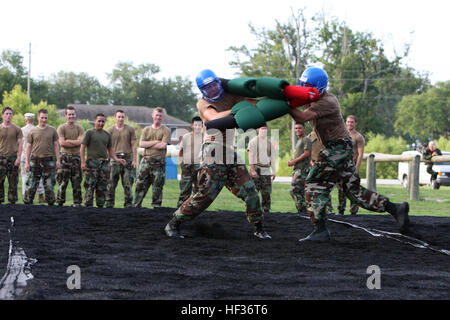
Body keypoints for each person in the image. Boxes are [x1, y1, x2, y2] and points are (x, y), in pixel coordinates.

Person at [288, 66, 410, 241]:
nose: (304, 88)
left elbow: (300, 117)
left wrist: (284, 104)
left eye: (308, 86)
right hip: (340, 148)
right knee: (352, 191)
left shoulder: (326, 101)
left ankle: (320, 229)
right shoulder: (313, 97)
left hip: (336, 147)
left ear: (318, 88)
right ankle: (395, 209)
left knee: (313, 182)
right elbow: (297, 100)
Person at [164, 69, 271, 239]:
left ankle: (259, 228)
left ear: (218, 83)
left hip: (230, 151)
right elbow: (214, 118)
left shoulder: (232, 94)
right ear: (203, 91)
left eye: (214, 85)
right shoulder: (203, 103)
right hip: (212, 150)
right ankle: (174, 223)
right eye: (208, 88)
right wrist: (238, 109)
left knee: (250, 191)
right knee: (206, 194)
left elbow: (253, 101)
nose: (212, 90)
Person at [80, 113, 126, 208]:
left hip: (104, 163)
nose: (101, 123)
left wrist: (117, 159)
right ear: (95, 121)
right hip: (92, 162)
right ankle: (88, 206)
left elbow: (110, 149)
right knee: (90, 184)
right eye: (99, 121)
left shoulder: (107, 135)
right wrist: (83, 162)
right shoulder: (89, 133)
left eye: (103, 121)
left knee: (102, 185)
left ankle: (100, 206)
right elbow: (82, 148)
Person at [133, 107, 171, 208]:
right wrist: (156, 142)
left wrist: (148, 144)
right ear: (153, 116)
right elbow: (141, 144)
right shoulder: (146, 130)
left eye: (160, 116)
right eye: (156, 115)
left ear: (162, 117)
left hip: (159, 163)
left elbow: (163, 145)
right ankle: (136, 206)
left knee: (157, 187)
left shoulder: (166, 130)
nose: (158, 117)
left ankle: (156, 207)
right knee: (140, 185)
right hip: (146, 162)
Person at [23, 109, 61, 205]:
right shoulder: (33, 131)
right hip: (35, 159)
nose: (44, 120)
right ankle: (28, 203)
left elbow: (56, 145)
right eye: (42, 117)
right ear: (38, 117)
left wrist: (58, 160)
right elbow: (28, 146)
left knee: (49, 184)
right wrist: (27, 162)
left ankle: (51, 204)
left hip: (48, 160)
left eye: (46, 118)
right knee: (31, 184)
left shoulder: (52, 130)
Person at [106, 110, 137, 208]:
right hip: (114, 159)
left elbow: (134, 145)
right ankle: (109, 204)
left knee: (128, 183)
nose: (120, 119)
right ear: (115, 117)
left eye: (122, 117)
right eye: (119, 117)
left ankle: (128, 205)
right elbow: (107, 147)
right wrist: (107, 160)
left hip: (127, 159)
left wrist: (135, 160)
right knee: (111, 183)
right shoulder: (110, 130)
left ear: (125, 118)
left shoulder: (130, 129)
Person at [336, 115, 365, 215]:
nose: (349, 124)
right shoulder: (341, 134)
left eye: (352, 122)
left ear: (355, 123)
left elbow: (360, 154)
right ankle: (341, 210)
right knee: (341, 189)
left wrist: (356, 168)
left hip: (352, 165)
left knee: (353, 189)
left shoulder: (358, 137)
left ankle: (353, 211)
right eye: (348, 122)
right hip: (342, 166)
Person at [56, 106, 84, 207]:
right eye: (69, 114)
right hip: (65, 158)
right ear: (66, 115)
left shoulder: (79, 128)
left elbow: (81, 142)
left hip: (76, 158)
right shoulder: (61, 128)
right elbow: (62, 143)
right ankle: (60, 202)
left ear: (75, 115)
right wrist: (74, 142)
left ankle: (77, 202)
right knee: (63, 181)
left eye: (73, 114)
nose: (71, 116)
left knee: (77, 182)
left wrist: (68, 141)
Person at [247, 125, 276, 213]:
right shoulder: (253, 141)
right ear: (258, 129)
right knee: (253, 193)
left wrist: (274, 171)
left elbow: (272, 158)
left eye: (265, 129)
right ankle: (253, 210)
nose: (264, 131)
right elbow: (250, 156)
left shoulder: (269, 143)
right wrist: (252, 170)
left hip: (266, 170)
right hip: (256, 169)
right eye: (262, 129)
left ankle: (266, 211)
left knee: (266, 193)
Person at [177, 116, 204, 208]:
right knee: (185, 189)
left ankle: (195, 209)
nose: (197, 127)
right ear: (192, 125)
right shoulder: (186, 136)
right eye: (195, 125)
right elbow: (181, 151)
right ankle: (180, 209)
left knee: (198, 190)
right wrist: (181, 164)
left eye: (199, 125)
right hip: (187, 166)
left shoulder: (205, 137)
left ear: (202, 126)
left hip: (199, 166)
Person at [21, 113, 45, 203]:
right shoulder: (37, 129)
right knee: (39, 176)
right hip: (36, 155)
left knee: (25, 176)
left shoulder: (21, 130)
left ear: (25, 120)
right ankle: (41, 196)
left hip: (24, 156)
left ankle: (25, 195)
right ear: (34, 120)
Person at [0, 107, 23, 204]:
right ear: (2, 115)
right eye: (6, 114)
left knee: (13, 182)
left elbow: (21, 144)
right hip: (1, 158)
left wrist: (18, 158)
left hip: (13, 158)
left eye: (10, 114)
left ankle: (12, 202)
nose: (9, 116)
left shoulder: (17, 129)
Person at [288, 122, 311, 215]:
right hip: (297, 169)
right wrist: (292, 161)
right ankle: (302, 211)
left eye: (300, 128)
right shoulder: (300, 140)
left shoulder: (306, 139)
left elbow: (306, 153)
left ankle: (302, 209)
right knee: (299, 191)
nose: (297, 130)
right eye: (296, 128)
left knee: (294, 189)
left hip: (302, 170)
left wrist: (294, 161)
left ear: (304, 129)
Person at [308, 130, 333, 215]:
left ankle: (328, 209)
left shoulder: (326, 133)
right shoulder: (310, 136)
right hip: (313, 164)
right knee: (313, 187)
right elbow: (308, 151)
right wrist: (311, 162)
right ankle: (316, 208)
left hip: (324, 163)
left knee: (324, 187)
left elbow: (329, 149)